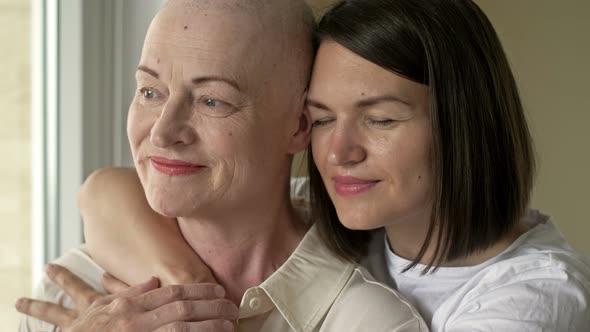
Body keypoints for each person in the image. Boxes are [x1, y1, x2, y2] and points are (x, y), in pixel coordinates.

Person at [21, 0, 590, 330]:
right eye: (322, 118)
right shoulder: (349, 209)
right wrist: (184, 287)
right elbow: (109, 188)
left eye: (381, 119)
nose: (337, 152)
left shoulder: (528, 305)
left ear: (463, 124)